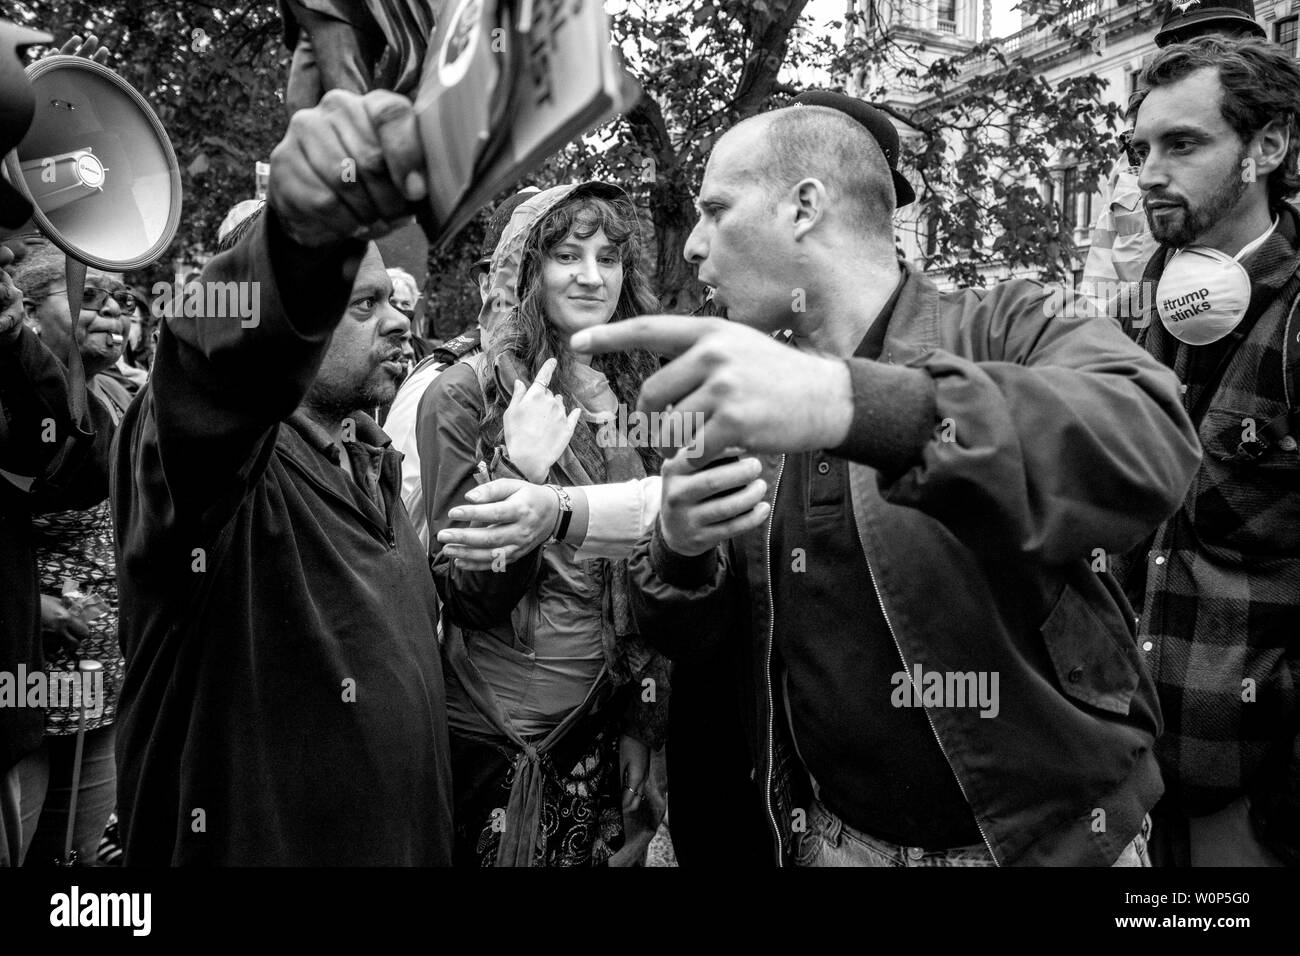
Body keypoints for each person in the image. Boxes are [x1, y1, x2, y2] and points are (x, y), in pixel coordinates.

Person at [575, 100, 1202, 866]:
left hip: (1047, 844)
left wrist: (850, 404)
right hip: (830, 842)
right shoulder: (746, 392)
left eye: (715, 209)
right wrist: (678, 548)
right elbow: (695, 644)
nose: (696, 247)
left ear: (805, 206)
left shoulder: (1006, 322)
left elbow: (1150, 442)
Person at [111, 88, 452, 865]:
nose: (400, 321)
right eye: (362, 303)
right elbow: (207, 367)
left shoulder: (369, 459)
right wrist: (302, 238)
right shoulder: (204, 469)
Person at [423, 181, 670, 866]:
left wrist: (641, 723)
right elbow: (467, 595)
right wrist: (520, 472)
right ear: (527, 270)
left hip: (599, 722)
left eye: (609, 258)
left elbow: (650, 568)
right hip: (495, 734)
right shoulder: (467, 392)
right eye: (567, 255)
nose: (592, 277)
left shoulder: (638, 389)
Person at [1120, 35, 1300, 866]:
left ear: (1268, 146)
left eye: (1183, 144)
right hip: (1131, 786)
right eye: (1139, 149)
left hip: (1258, 809)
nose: (1149, 171)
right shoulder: (1142, 316)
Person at [11, 246, 132, 866]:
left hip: (98, 674)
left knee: (78, 859)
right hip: (27, 678)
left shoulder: (117, 395)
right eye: (90, 297)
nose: (114, 311)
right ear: (25, 312)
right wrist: (39, 607)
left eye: (122, 302)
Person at [1080, 0, 1265, 310]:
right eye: (1176, 47)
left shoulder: (1280, 145)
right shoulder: (1131, 165)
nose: (1189, 60)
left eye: (1210, 45)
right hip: (1145, 343)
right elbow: (1099, 287)